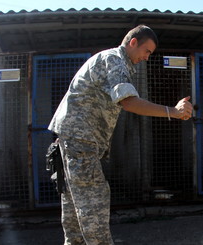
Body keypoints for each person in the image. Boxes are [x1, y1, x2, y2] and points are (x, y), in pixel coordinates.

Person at [48, 25, 193, 245]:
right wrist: (172, 112)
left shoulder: (111, 59)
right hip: (80, 141)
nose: (146, 58)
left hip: (72, 141)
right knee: (93, 204)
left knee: (75, 210)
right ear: (133, 42)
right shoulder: (115, 59)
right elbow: (128, 102)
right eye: (147, 51)